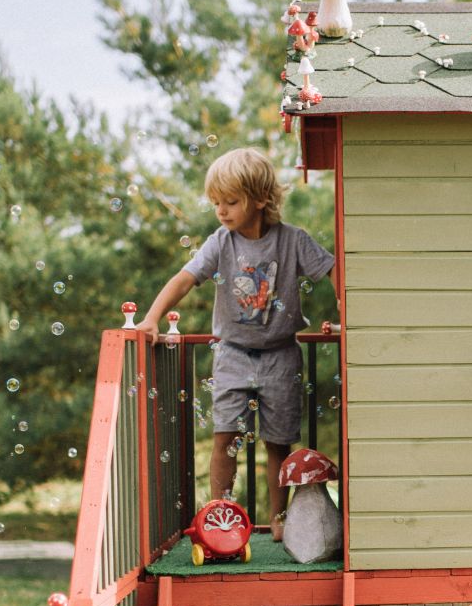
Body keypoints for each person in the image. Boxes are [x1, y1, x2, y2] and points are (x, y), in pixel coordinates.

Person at [138, 147, 336, 538]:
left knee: (278, 442)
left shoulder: (292, 241)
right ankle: (221, 519)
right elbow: (184, 279)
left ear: (260, 199)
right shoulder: (221, 242)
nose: (221, 210)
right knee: (225, 436)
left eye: (230, 201)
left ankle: (279, 519)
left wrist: (349, 304)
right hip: (232, 354)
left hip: (281, 356)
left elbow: (332, 268)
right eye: (216, 202)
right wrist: (151, 317)